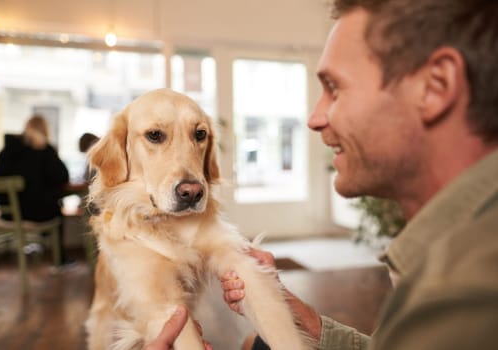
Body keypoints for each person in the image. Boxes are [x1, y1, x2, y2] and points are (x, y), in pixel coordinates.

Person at [145, 0, 498, 348]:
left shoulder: (466, 291)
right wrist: (312, 324)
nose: (314, 117)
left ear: (435, 87)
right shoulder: (453, 249)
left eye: (335, 88)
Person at [0, 114, 73, 265]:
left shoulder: (5, 151)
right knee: (55, 208)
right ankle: (59, 260)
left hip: (7, 214)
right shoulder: (44, 150)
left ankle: (41, 246)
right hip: (36, 214)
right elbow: (63, 176)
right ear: (44, 130)